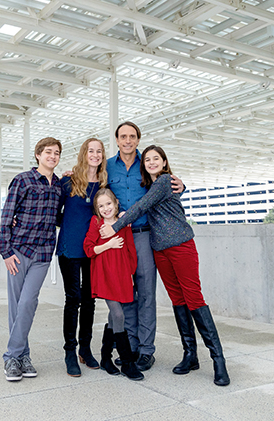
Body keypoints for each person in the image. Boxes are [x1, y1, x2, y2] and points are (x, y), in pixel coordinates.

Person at [100, 145, 230, 386]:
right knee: (178, 300)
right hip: (159, 249)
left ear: (164, 161)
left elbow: (140, 207)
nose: (151, 162)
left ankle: (218, 360)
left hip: (181, 245)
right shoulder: (151, 185)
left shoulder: (163, 181)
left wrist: (115, 226)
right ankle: (190, 355)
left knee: (194, 299)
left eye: (155, 158)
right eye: (147, 159)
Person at [107, 121, 184, 371]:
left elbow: (167, 185)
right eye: (123, 136)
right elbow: (89, 182)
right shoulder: (108, 167)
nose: (127, 140)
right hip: (119, 238)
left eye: (132, 136)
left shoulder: (147, 163)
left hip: (143, 235)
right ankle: (130, 346)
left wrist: (183, 186)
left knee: (147, 293)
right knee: (125, 294)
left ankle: (147, 350)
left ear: (138, 140)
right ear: (117, 140)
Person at [0, 137, 63, 382]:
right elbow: (7, 215)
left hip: (42, 253)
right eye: (48, 152)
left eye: (56, 153)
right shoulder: (22, 180)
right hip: (18, 251)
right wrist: (5, 251)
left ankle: (12, 356)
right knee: (17, 305)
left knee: (28, 302)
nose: (52, 156)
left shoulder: (59, 186)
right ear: (38, 155)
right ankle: (20, 357)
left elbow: (58, 217)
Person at [55, 138, 107, 377]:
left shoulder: (106, 184)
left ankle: (85, 349)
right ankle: (69, 351)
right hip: (69, 248)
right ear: (84, 154)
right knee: (73, 298)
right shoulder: (68, 181)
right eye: (91, 151)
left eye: (99, 151)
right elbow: (54, 213)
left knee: (89, 300)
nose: (95, 155)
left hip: (93, 249)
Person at [83, 188, 143, 381]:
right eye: (101, 206)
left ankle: (105, 358)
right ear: (97, 209)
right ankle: (127, 362)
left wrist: (130, 272)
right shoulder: (96, 222)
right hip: (104, 274)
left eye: (108, 204)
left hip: (121, 274)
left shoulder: (123, 222)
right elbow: (89, 249)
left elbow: (130, 249)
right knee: (118, 314)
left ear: (116, 203)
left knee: (114, 315)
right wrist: (108, 244)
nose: (106, 208)